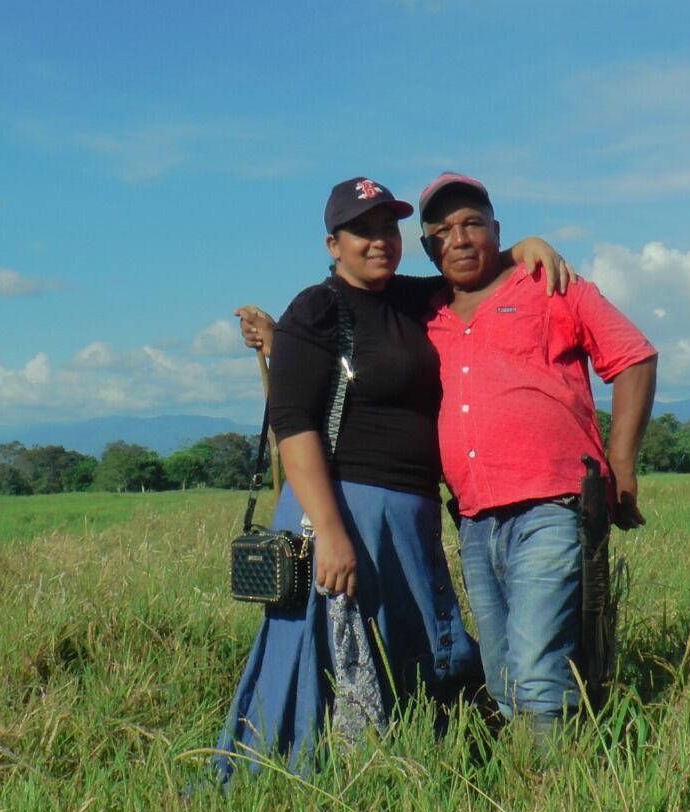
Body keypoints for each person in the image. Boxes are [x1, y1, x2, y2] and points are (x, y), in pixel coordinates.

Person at [216, 177, 574, 778]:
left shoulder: (413, 299)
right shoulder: (317, 308)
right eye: (362, 230)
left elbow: (473, 264)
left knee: (416, 650)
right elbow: (293, 426)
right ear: (333, 244)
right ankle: (308, 778)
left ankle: (420, 768)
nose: (379, 240)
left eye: (389, 228)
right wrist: (332, 534)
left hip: (411, 513)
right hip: (340, 510)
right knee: (333, 652)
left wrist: (525, 247)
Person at [416, 172, 657, 729]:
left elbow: (633, 358)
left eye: (472, 224)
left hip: (553, 504)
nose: (459, 239)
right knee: (502, 672)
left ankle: (552, 779)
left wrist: (621, 465)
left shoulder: (550, 285)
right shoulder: (427, 313)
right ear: (428, 247)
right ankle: (527, 770)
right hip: (475, 520)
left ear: (497, 230)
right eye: (443, 231)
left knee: (537, 665)